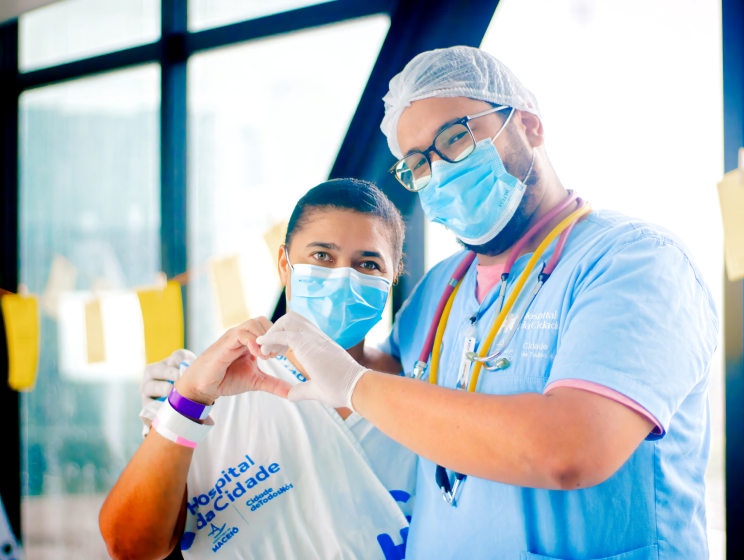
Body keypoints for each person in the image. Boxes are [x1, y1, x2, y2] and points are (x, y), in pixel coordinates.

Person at [251, 47, 720, 559]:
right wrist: (205, 382)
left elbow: (571, 449)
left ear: (529, 126)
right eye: (418, 163)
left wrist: (348, 381)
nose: (441, 169)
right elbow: (395, 381)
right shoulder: (442, 286)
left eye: (455, 137)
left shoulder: (635, 263)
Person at [99, 179, 416, 560]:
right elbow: (131, 546)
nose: (341, 277)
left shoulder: (417, 391)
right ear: (285, 265)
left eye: (368, 264)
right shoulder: (211, 383)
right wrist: (188, 400)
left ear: (393, 275)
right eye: (321, 256)